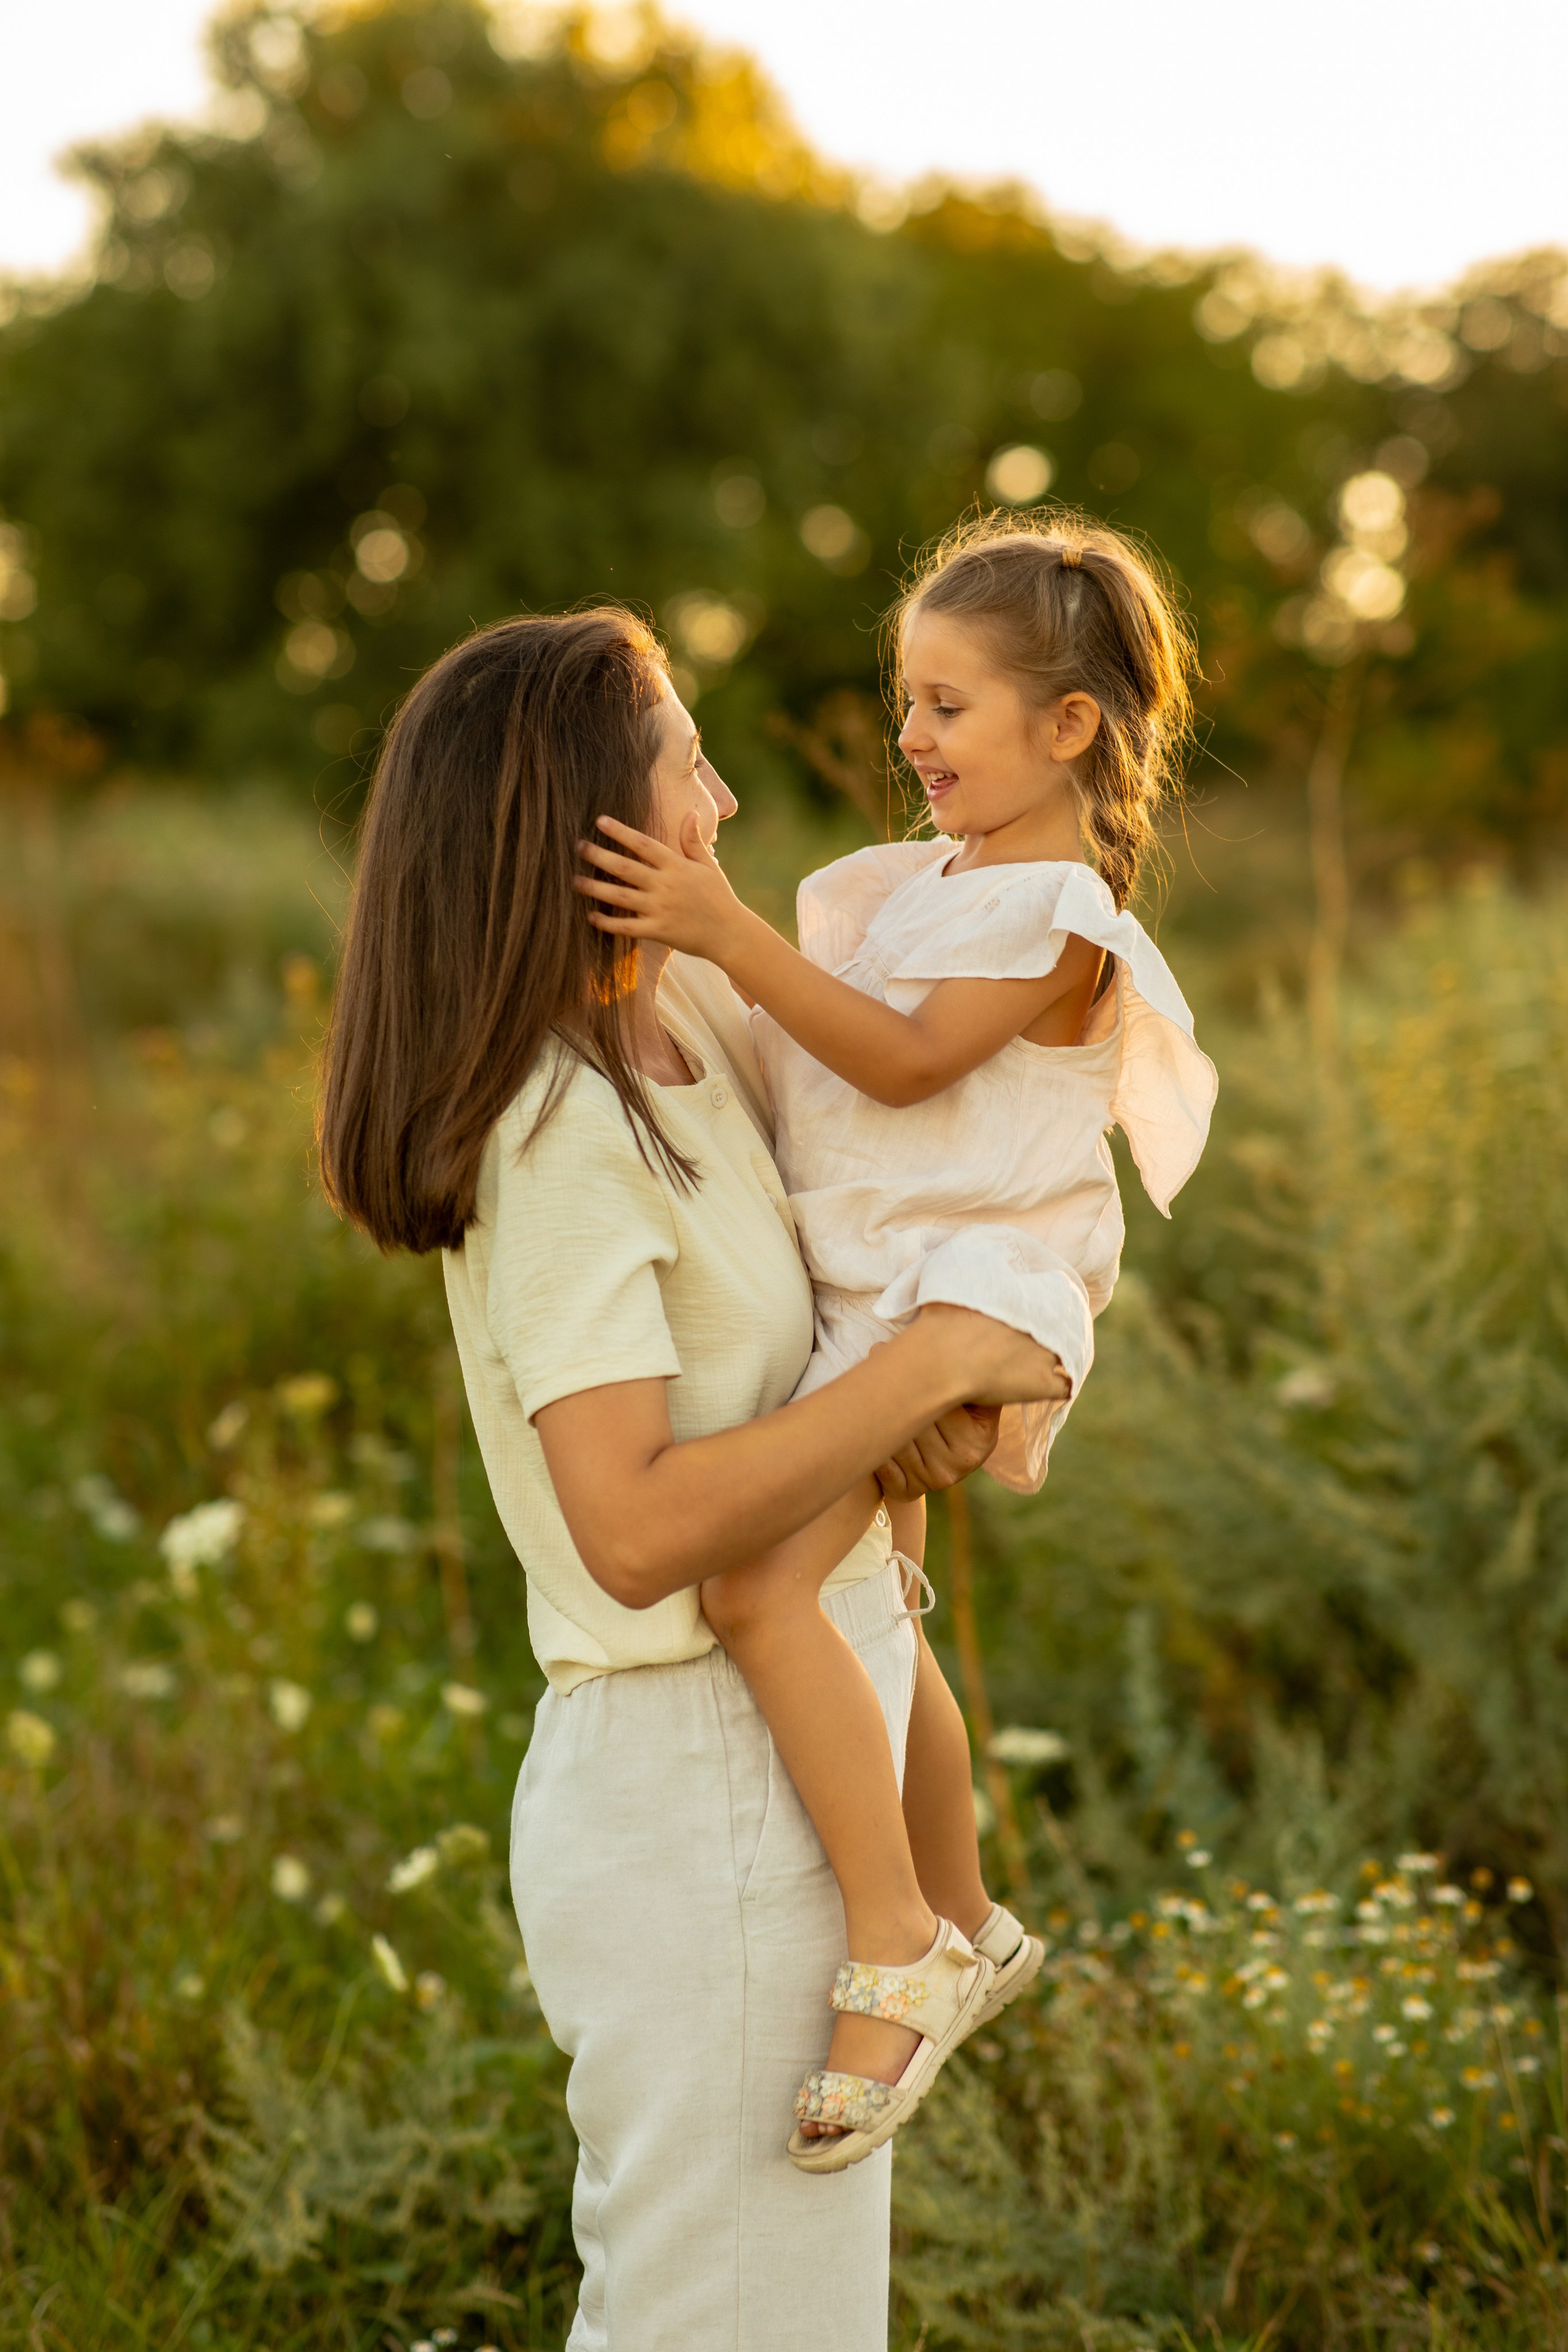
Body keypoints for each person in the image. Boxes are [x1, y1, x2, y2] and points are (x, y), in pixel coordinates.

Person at [317, 606, 1068, 2351]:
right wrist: (925, 1367)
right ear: (587, 828)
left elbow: (784, 1408)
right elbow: (640, 1527)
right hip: (698, 1796)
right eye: (686, 767)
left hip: (793, 1764)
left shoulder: (695, 1039)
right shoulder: (555, 1126)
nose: (726, 805)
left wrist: (916, 1426)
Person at [575, 511, 1218, 2171]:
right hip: (874, 1288)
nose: (910, 736)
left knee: (758, 1586)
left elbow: (908, 1069)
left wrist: (726, 930)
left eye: (949, 705)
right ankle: (969, 1911)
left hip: (965, 1294)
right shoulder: (920, 888)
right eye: (909, 701)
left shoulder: (1059, 913)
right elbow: (809, 1070)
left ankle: (898, 1935)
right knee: (879, 1610)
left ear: (1068, 725)